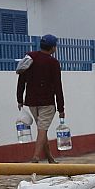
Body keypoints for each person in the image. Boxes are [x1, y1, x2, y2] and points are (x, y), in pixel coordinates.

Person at [16, 34, 65, 164]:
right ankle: (36, 157)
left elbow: (21, 80)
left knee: (42, 130)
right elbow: (57, 86)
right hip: (47, 103)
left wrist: (19, 99)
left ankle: (50, 158)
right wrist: (61, 108)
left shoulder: (30, 58)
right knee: (42, 130)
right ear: (52, 48)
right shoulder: (53, 63)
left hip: (31, 102)